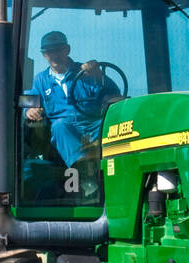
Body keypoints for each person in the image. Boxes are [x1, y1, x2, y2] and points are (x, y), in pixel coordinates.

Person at [25, 30, 120, 167]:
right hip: (67, 127)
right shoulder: (41, 80)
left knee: (114, 125)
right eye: (50, 52)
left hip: (92, 123)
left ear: (67, 50)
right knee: (59, 126)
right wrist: (29, 111)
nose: (55, 55)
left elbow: (112, 93)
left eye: (59, 50)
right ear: (44, 55)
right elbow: (28, 102)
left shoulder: (86, 72)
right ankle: (81, 167)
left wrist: (99, 76)